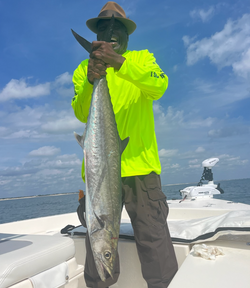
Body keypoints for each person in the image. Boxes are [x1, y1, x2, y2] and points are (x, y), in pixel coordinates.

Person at [71, 2, 178, 288]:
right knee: (98, 243)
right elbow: (81, 113)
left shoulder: (142, 59)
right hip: (97, 172)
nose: (112, 33)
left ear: (127, 35)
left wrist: (118, 63)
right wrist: (93, 78)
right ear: (96, 35)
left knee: (154, 242)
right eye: (105, 29)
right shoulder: (84, 68)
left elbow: (159, 86)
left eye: (118, 28)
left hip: (140, 169)